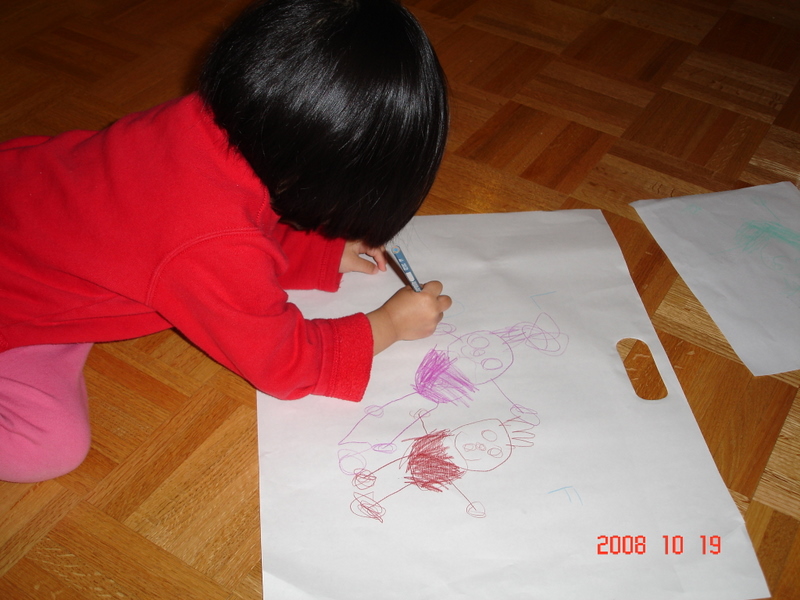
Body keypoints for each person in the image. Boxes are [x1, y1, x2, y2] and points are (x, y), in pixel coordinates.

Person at [0, 0, 451, 483]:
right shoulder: (207, 240)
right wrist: (389, 323)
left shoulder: (209, 120)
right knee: (51, 447)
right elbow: (283, 363)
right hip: (15, 310)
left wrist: (321, 251)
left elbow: (239, 223)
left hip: (29, 219)